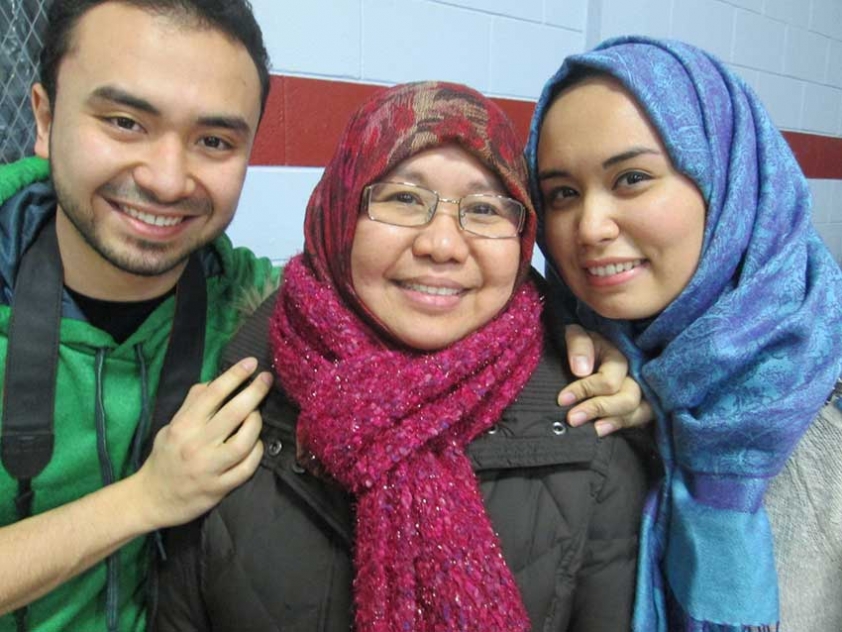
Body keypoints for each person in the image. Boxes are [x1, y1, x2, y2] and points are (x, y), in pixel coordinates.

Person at [154, 80, 649, 632]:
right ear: (339, 214)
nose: (441, 244)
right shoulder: (233, 401)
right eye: (404, 198)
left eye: (485, 208)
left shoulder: (589, 430)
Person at [525, 36, 842, 631]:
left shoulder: (822, 397)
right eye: (562, 193)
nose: (589, 228)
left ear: (726, 179)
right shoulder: (570, 364)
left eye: (632, 178)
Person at [0, 1, 279, 630]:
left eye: (214, 141)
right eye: (125, 122)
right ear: (44, 119)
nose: (167, 180)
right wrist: (147, 499)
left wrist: (551, 330)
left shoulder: (257, 308)